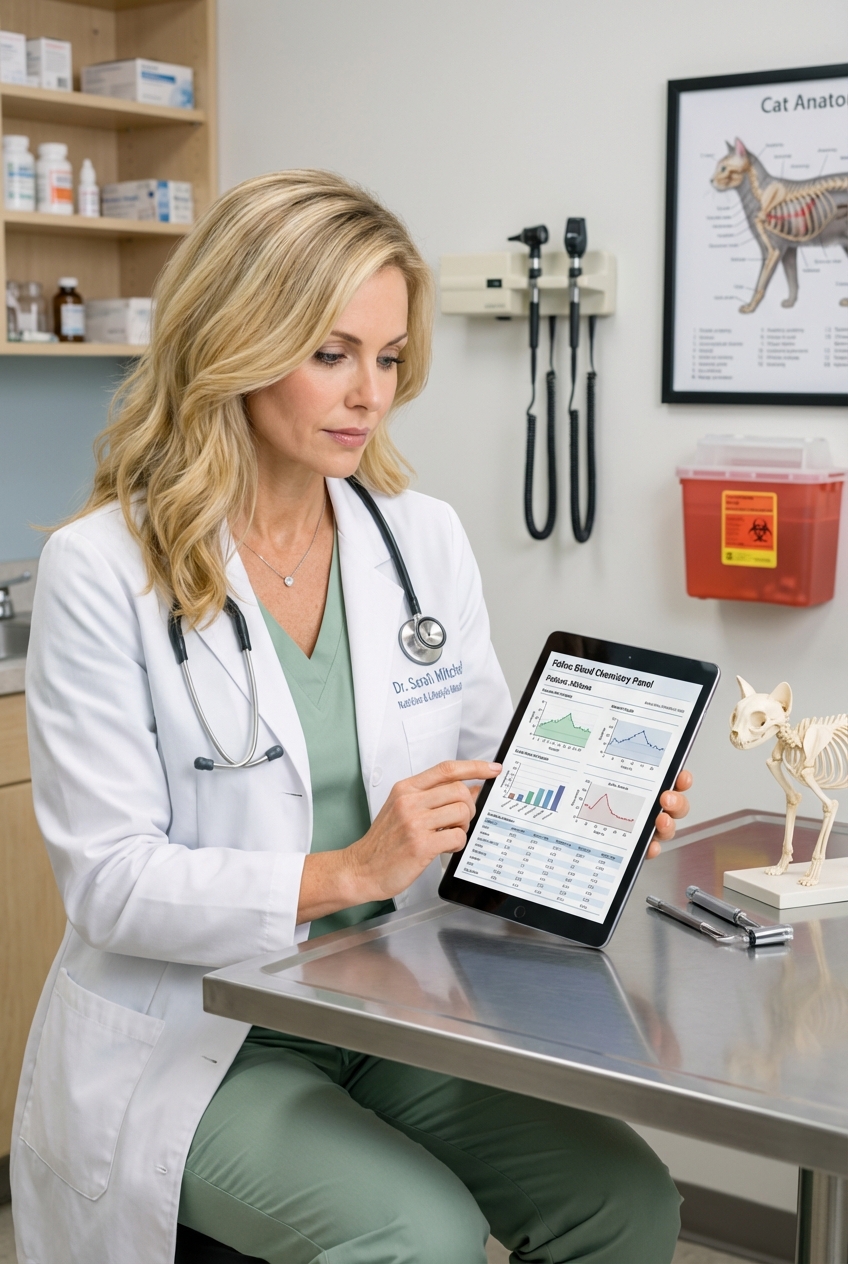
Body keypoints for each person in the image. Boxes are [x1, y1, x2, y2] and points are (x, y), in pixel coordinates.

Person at [12, 170, 692, 1264]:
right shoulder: (102, 568)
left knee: (624, 1200)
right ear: (233, 340)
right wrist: (347, 870)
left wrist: (587, 811)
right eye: (330, 353)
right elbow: (110, 878)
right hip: (205, 1034)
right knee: (413, 1234)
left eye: (386, 357)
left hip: (388, 1007)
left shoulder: (416, 538)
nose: (368, 393)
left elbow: (481, 771)